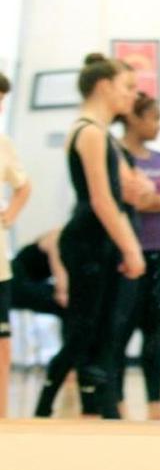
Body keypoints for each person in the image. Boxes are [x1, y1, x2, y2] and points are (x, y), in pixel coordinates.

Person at [35, 54, 146, 419]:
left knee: (100, 332)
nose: (132, 96)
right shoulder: (91, 132)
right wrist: (133, 250)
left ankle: (97, 409)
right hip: (87, 241)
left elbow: (122, 192)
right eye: (126, 87)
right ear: (103, 86)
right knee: (84, 331)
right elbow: (102, 200)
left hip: (97, 241)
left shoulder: (100, 134)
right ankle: (43, 409)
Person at [108, 92, 160, 420]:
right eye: (154, 118)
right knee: (121, 329)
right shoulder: (118, 155)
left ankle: (155, 405)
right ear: (133, 119)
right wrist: (158, 200)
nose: (159, 125)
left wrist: (154, 200)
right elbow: (131, 202)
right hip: (128, 254)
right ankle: (118, 402)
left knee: (154, 330)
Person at [0, 71, 32, 419]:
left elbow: (24, 186)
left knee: (2, 348)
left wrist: (9, 214)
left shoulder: (3, 145)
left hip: (0, 268)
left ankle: (2, 424)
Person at [10, 229, 66, 317]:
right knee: (67, 302)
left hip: (25, 279)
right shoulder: (69, 232)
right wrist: (62, 289)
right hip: (18, 274)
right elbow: (55, 246)